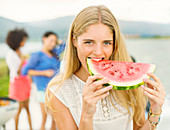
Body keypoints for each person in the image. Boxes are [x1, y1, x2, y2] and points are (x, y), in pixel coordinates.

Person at [45, 5, 166, 130]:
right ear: (74, 41)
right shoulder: (58, 91)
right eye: (89, 42)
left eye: (107, 43)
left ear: (115, 44)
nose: (98, 52)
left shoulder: (130, 86)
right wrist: (86, 115)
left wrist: (155, 111)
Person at [22, 31, 65, 130]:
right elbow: (24, 71)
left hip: (55, 90)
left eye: (54, 42)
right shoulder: (37, 55)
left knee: (55, 119)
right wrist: (44, 73)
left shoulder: (54, 53)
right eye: (51, 40)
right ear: (43, 39)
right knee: (45, 119)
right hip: (43, 91)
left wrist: (59, 41)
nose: (53, 44)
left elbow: (65, 46)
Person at [5, 28, 32, 130]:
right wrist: (22, 61)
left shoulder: (20, 52)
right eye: (23, 40)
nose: (24, 42)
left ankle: (31, 128)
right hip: (17, 84)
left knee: (28, 109)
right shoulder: (11, 55)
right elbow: (17, 72)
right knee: (18, 111)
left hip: (25, 82)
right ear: (17, 41)